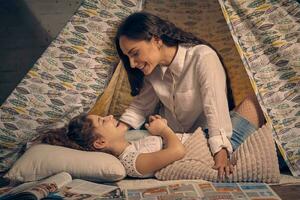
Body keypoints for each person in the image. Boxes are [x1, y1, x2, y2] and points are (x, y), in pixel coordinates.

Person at [114, 12, 265, 179]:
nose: (132, 64)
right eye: (128, 57)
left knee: (255, 99)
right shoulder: (153, 71)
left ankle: (220, 149)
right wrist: (114, 134)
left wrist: (221, 155)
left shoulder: (202, 57)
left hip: (206, 138)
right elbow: (140, 107)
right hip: (173, 139)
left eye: (135, 53)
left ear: (156, 40)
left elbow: (214, 108)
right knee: (123, 143)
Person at [41, 114, 186, 178]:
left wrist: (160, 129)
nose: (110, 116)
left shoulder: (133, 145)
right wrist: (164, 130)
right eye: (102, 121)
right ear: (100, 142)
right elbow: (178, 151)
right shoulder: (131, 162)